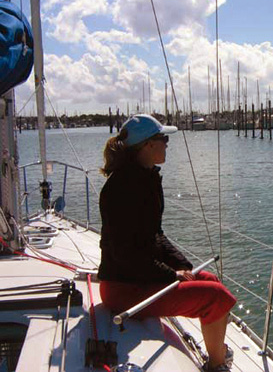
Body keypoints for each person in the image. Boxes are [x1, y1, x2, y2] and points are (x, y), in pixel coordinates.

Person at [98, 114, 236, 372]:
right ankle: (217, 365)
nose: (167, 144)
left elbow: (155, 235)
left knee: (210, 282)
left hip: (139, 278)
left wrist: (185, 267)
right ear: (148, 145)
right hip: (123, 287)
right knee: (216, 297)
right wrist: (171, 274)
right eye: (163, 138)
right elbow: (125, 253)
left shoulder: (145, 179)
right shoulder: (122, 189)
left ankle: (216, 352)